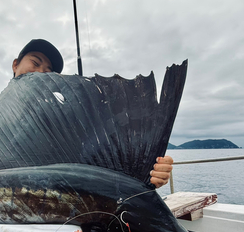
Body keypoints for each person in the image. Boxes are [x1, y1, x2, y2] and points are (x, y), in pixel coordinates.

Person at [12, 39, 173, 188]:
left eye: (48, 72)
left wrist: (148, 174)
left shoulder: (64, 125)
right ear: (15, 65)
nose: (40, 73)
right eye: (35, 62)